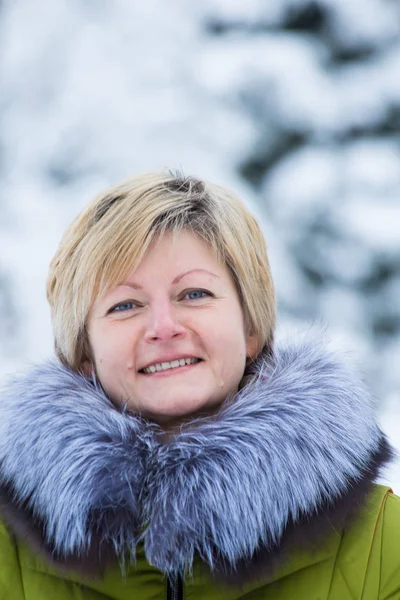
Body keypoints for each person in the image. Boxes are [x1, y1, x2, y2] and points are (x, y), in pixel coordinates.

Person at [0, 171, 399, 600]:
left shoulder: (381, 538)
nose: (163, 328)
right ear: (84, 354)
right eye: (126, 304)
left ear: (250, 327)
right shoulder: (8, 547)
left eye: (194, 294)